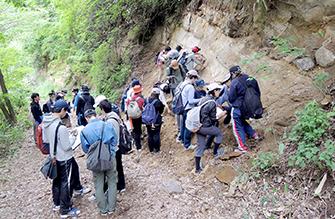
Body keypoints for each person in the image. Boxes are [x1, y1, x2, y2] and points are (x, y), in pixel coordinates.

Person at [42, 100, 80, 218]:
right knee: (66, 183)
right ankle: (65, 210)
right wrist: (73, 136)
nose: (65, 113)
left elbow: (46, 140)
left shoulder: (46, 123)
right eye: (65, 110)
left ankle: (57, 203)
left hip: (54, 157)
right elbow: (67, 146)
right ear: (62, 110)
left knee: (57, 181)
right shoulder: (60, 127)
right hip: (64, 158)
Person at [80, 109, 118, 216]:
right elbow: (114, 141)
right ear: (95, 115)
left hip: (95, 160)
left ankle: (103, 210)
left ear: (86, 118)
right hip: (110, 157)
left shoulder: (84, 131)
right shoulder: (107, 125)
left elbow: (85, 148)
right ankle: (112, 207)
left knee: (98, 184)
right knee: (112, 181)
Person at [95, 96, 126, 193]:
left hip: (114, 148)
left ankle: (119, 186)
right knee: (119, 166)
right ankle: (121, 185)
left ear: (103, 109)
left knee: (116, 167)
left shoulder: (110, 121)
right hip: (117, 146)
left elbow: (111, 135)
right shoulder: (114, 116)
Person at [228, 65, 260, 153]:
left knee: (237, 126)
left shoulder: (235, 82)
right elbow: (257, 91)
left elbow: (231, 98)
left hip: (238, 107)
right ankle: (254, 134)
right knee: (242, 121)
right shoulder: (249, 78)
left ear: (232, 73)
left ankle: (242, 147)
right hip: (249, 108)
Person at [194, 83, 225, 173]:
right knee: (219, 133)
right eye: (218, 90)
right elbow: (213, 118)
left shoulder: (203, 99)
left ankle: (197, 169)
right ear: (214, 91)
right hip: (205, 126)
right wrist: (221, 114)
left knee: (201, 146)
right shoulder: (212, 103)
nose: (219, 92)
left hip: (197, 125)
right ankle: (215, 153)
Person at [179, 70, 201, 150]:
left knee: (184, 126)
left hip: (183, 108)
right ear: (193, 78)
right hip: (188, 109)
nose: (195, 81)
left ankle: (183, 141)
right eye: (195, 79)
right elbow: (191, 101)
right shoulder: (190, 87)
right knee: (188, 127)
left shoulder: (183, 84)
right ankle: (187, 145)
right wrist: (201, 99)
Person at [126, 85, 145, 156]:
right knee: (138, 129)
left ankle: (137, 145)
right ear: (139, 91)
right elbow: (142, 108)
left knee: (135, 130)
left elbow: (127, 109)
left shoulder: (129, 99)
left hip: (131, 117)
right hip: (139, 116)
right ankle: (139, 144)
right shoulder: (140, 99)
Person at [145, 88, 165, 153]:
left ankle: (151, 149)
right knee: (156, 134)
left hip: (147, 120)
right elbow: (161, 111)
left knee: (150, 134)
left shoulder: (146, 100)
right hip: (156, 121)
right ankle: (157, 149)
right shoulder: (158, 102)